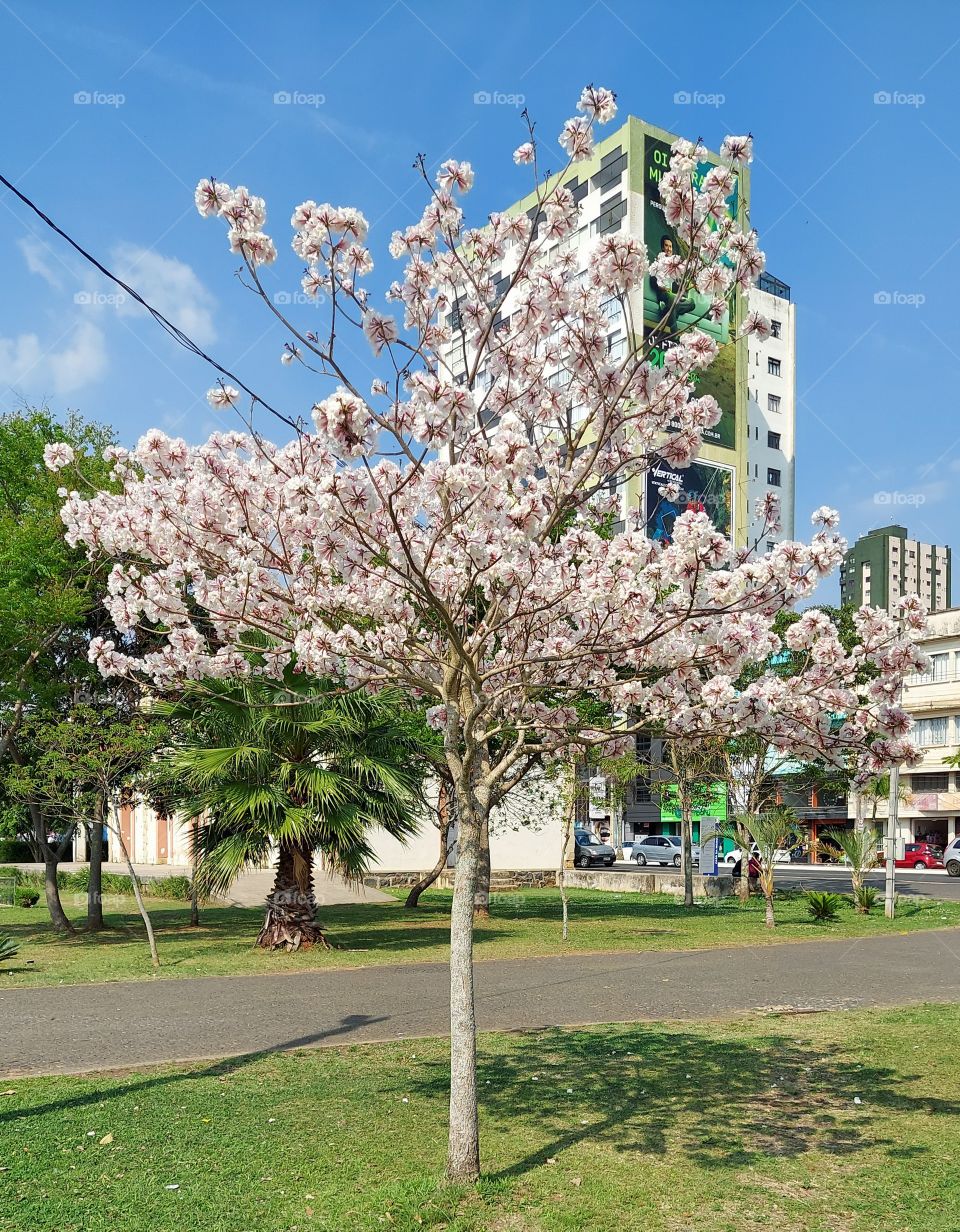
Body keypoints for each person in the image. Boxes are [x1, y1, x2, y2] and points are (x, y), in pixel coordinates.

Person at [649, 234, 695, 336]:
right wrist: (661, 287)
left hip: (672, 297)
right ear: (662, 247)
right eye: (666, 246)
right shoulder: (658, 262)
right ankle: (674, 331)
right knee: (671, 297)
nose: (669, 249)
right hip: (663, 295)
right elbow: (652, 280)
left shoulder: (673, 265)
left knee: (691, 302)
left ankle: (670, 310)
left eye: (670, 246)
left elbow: (676, 283)